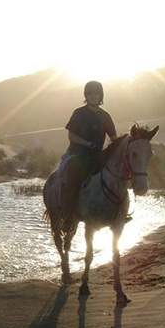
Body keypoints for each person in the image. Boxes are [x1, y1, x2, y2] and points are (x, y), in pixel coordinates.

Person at [60, 80, 117, 232]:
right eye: (90, 93)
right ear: (86, 95)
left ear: (100, 96)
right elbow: (71, 135)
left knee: (115, 175)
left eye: (96, 93)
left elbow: (113, 137)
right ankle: (68, 216)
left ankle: (118, 212)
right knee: (73, 176)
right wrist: (86, 143)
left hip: (97, 155)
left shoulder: (105, 116)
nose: (93, 96)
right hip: (77, 155)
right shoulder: (79, 113)